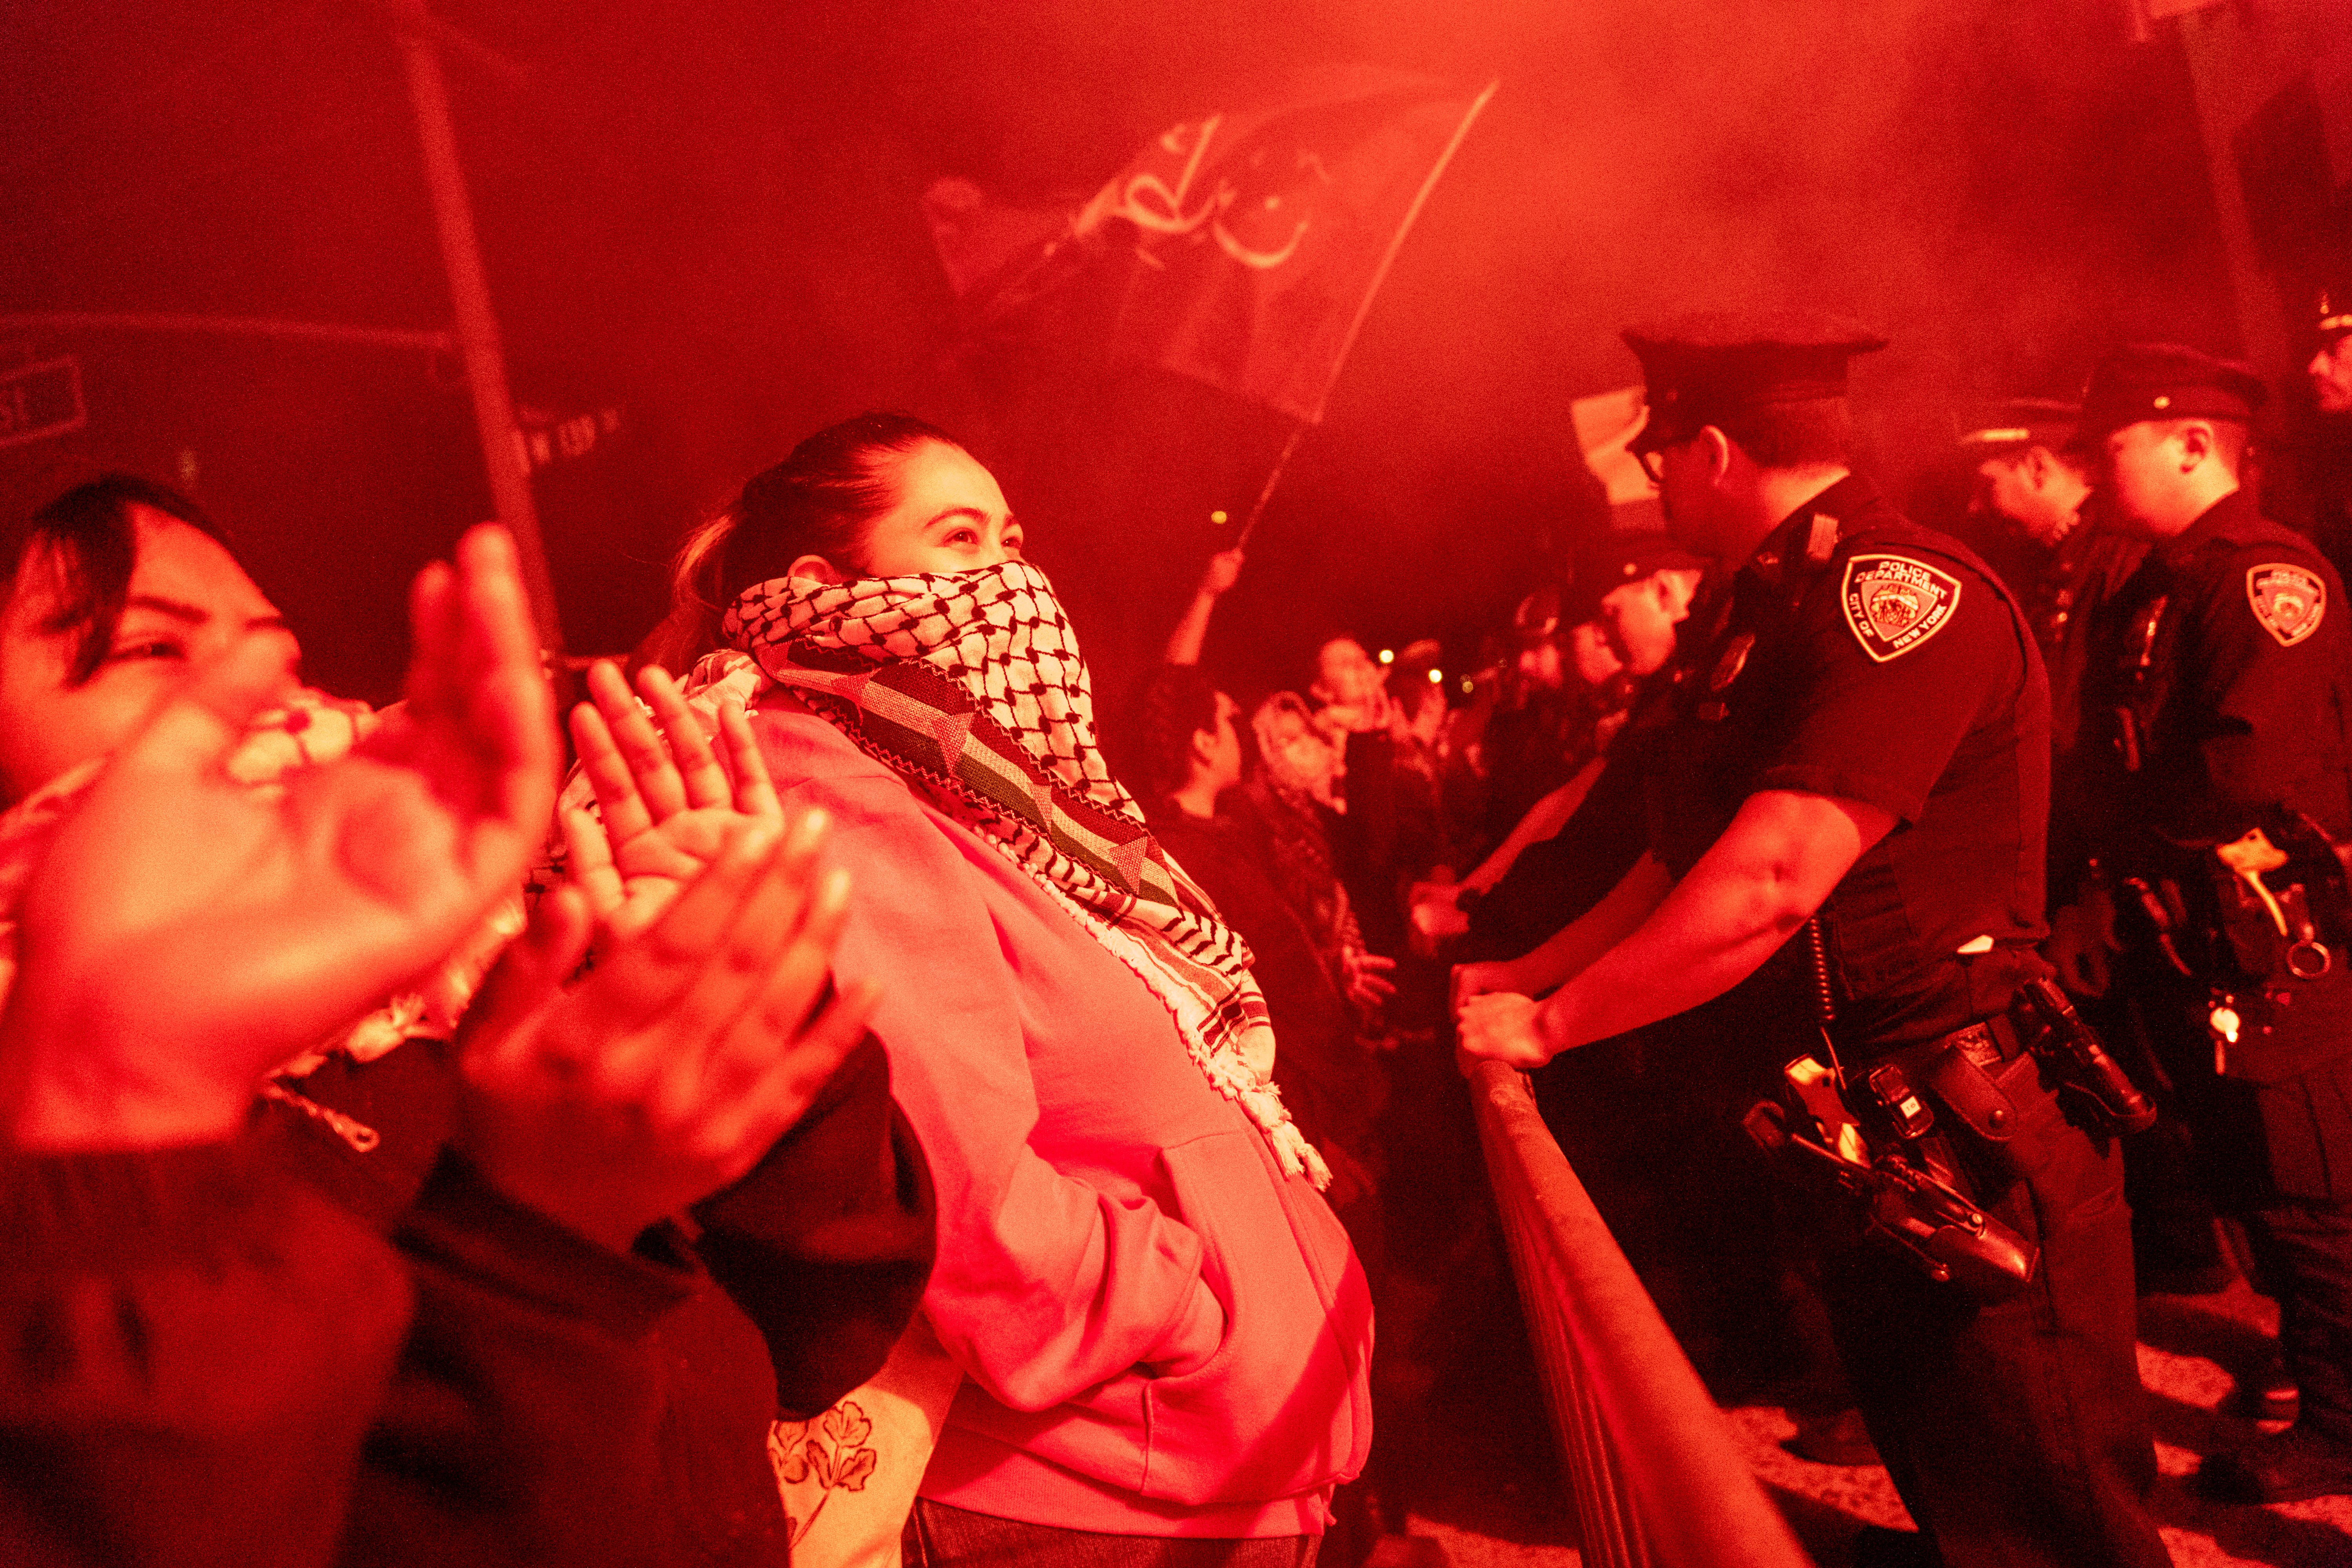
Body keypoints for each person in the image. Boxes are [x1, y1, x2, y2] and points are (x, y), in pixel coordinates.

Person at [0, 479, 937, 1567]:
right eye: (154, 652)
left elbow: (823, 1319)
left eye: (274, 650)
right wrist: (529, 1242)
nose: (253, 694)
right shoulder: (53, 1168)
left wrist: (746, 1006)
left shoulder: (475, 978)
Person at [1458, 312, 2168, 1568]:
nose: (1656, 482)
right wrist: (1525, 975)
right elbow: (1681, 856)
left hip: (1972, 1126)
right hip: (1878, 1140)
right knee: (1968, 1508)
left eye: (1661, 457)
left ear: (1718, 450)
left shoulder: (1896, 594)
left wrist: (1552, 1025)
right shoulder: (1770, 605)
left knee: (2051, 1529)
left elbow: (1775, 876)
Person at [653, 412, 1372, 1563]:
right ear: (822, 585)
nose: (1012, 578)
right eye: (958, 538)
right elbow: (961, 1191)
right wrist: (1182, 1316)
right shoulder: (826, 778)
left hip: (1189, 1478)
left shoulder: (975, 787)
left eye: (1012, 539)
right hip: (1079, 1498)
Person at [2054, 343, 2352, 1503]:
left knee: (2313, 1189)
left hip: (2278, 942)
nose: (2092, 466)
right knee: (2257, 1186)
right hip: (2195, 938)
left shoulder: (2263, 578)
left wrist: (2119, 853)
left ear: (2193, 445)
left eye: (2111, 444)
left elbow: (2236, 773)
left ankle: (2340, 1422)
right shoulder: (2159, 581)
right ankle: (2320, 1387)